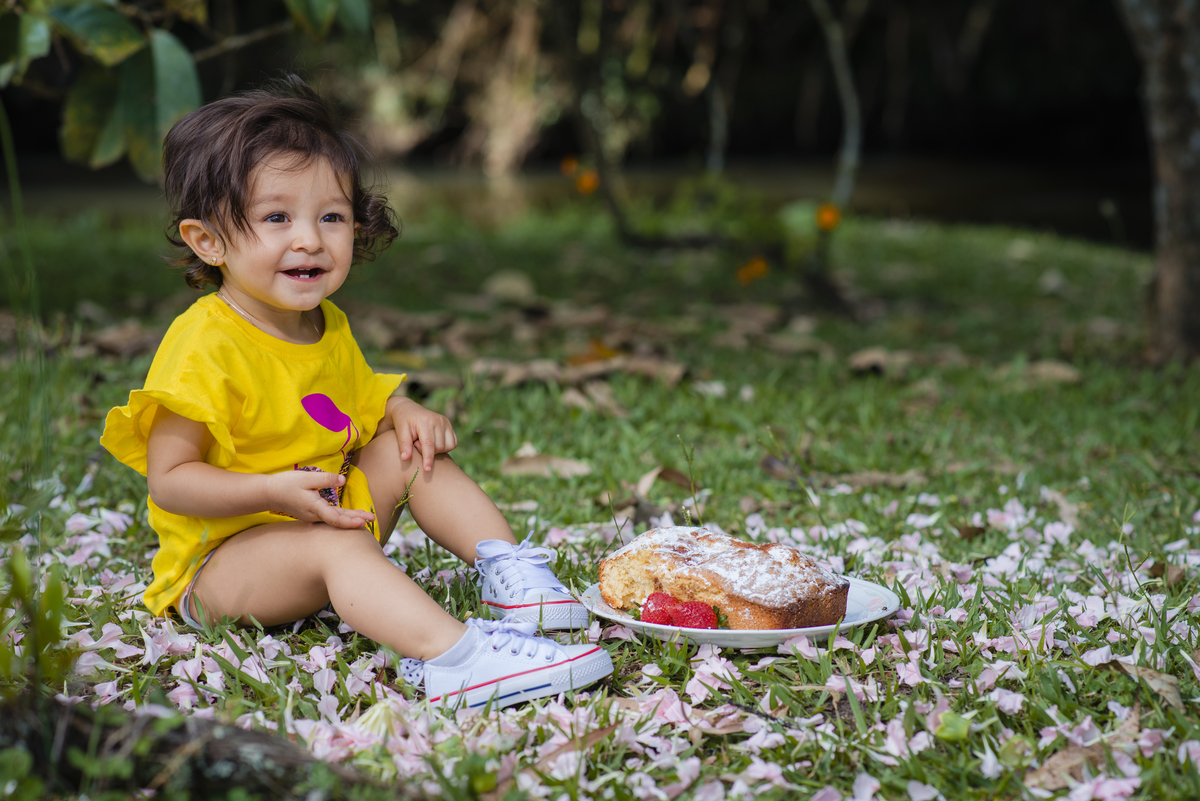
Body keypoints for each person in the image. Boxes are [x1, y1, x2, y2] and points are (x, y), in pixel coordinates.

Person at [100, 76, 611, 710]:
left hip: (327, 517)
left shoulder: (325, 322)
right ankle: (459, 661)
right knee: (336, 545)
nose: (310, 239)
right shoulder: (203, 345)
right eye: (277, 217)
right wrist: (268, 491)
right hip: (224, 568)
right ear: (209, 241)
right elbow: (170, 479)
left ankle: (517, 579)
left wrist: (403, 409)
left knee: (408, 448)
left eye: (331, 217)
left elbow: (356, 405)